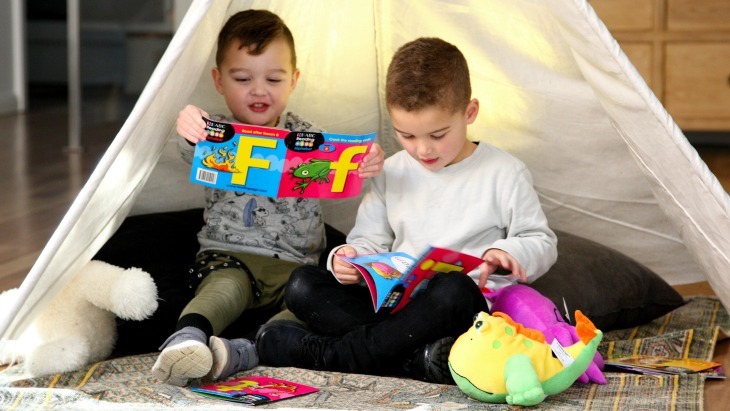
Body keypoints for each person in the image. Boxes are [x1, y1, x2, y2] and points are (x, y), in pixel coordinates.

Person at [254, 37, 558, 384]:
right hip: (396, 308)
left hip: (460, 311)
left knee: (453, 288)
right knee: (302, 284)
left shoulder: (505, 173)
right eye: (407, 136)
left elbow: (541, 241)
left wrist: (507, 252)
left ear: (469, 112)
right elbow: (369, 242)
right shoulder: (392, 171)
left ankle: (334, 355)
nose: (423, 149)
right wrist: (349, 258)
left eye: (438, 134)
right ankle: (414, 360)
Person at [151, 9, 384, 386]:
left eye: (273, 79)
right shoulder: (218, 132)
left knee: (306, 307)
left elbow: (346, 163)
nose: (259, 90)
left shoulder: (307, 136)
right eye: (243, 78)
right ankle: (187, 339)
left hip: (297, 265)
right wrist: (190, 125)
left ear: (293, 80)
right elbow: (188, 146)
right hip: (231, 255)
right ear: (219, 81)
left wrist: (367, 159)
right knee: (223, 289)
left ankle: (244, 350)